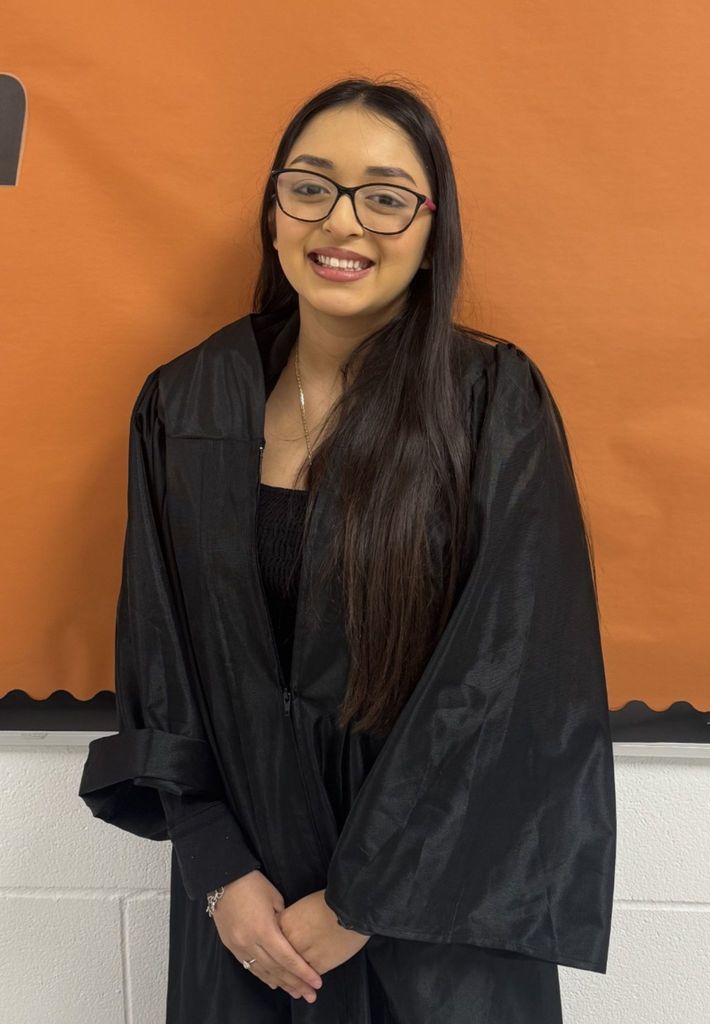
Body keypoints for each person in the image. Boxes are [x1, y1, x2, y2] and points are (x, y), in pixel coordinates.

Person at [79, 76, 616, 1023]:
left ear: (430, 224)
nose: (344, 224)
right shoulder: (185, 403)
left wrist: (362, 896)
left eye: (386, 196)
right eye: (312, 186)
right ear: (274, 209)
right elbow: (160, 655)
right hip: (250, 921)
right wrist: (218, 869)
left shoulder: (491, 404)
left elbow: (512, 678)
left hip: (433, 923)